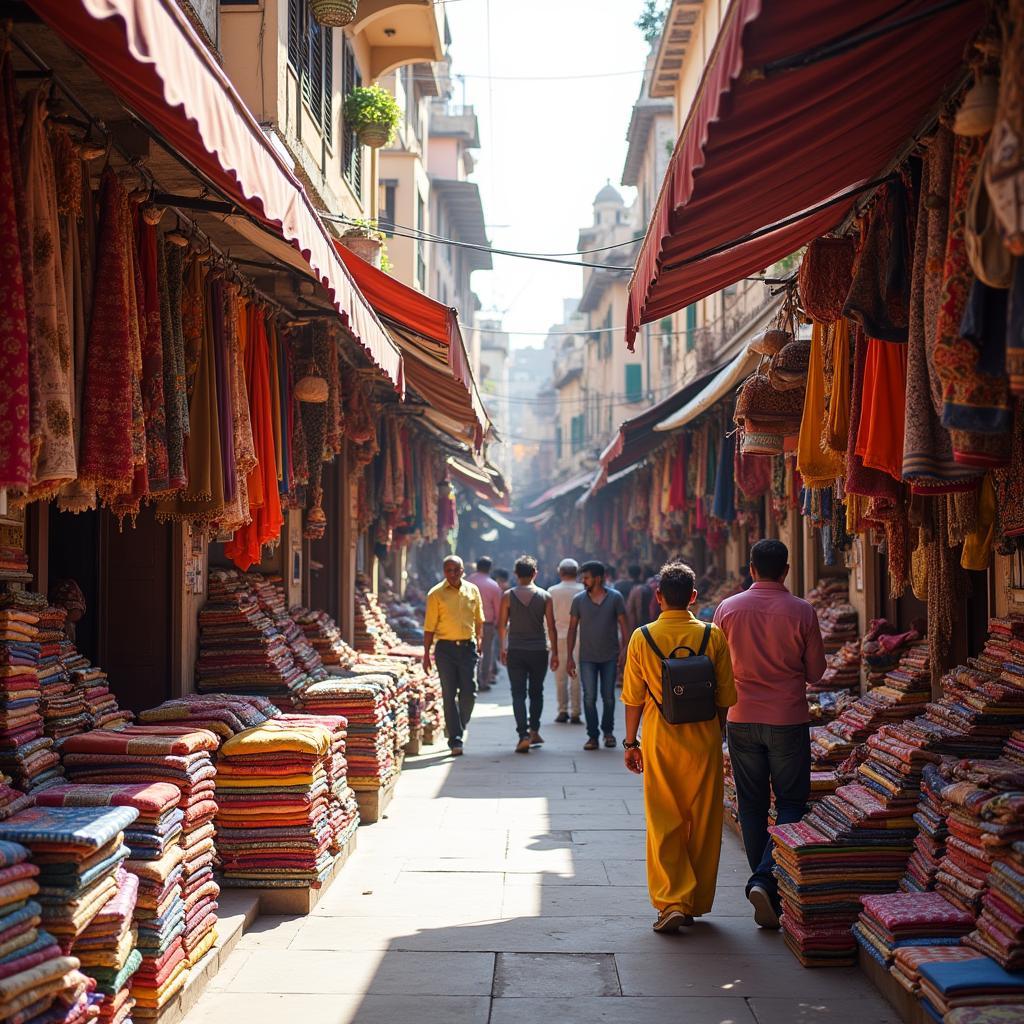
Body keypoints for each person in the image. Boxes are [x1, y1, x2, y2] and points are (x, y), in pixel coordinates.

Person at [713, 539, 826, 929]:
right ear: (787, 570)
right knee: (792, 802)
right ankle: (766, 879)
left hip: (741, 717)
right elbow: (816, 673)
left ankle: (764, 883)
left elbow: (716, 667)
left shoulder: (727, 609)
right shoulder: (802, 611)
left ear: (751, 568)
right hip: (787, 718)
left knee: (752, 805)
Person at [621, 562, 737, 933]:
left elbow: (633, 698)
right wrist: (714, 733)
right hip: (702, 739)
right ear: (693, 597)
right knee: (703, 821)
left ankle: (673, 898)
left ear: (658, 597)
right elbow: (726, 696)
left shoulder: (642, 637)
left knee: (664, 820)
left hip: (659, 739)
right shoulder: (712, 634)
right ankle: (696, 899)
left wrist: (630, 742)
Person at [422, 555, 485, 757]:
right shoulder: (435, 594)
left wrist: (480, 641)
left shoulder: (472, 590)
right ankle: (455, 739)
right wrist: (425, 654)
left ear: (462, 570)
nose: (452, 574)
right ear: (444, 572)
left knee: (470, 691)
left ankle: (459, 722)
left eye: (456, 570)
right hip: (445, 650)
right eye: (448, 570)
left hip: (468, 648)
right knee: (448, 693)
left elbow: (479, 620)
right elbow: (429, 627)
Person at [498, 555, 559, 753]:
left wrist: (503, 647)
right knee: (536, 692)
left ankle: (522, 735)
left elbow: (502, 625)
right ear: (535, 573)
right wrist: (555, 652)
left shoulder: (508, 596)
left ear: (516, 574)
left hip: (516, 649)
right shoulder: (545, 596)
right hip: (539, 650)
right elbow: (551, 627)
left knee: (518, 693)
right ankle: (534, 730)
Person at [566, 560, 628, 751]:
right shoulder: (578, 600)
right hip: (587, 657)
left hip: (610, 656)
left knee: (609, 697)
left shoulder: (616, 598)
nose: (583, 581)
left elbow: (625, 627)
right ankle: (592, 736)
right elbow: (572, 628)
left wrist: (626, 651)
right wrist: (569, 657)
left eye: (586, 578)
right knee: (589, 697)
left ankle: (608, 733)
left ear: (598, 578)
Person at [548, 558, 584, 724]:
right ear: (576, 573)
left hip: (559, 637)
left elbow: (547, 619)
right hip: (579, 637)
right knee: (576, 674)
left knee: (560, 675)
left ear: (560, 572)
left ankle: (562, 710)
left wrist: (549, 640)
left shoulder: (552, 591)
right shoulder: (583, 590)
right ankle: (576, 711)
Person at [466, 556, 502, 692]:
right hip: (487, 624)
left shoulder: (468, 582)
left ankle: (471, 680)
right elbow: (497, 608)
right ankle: (483, 681)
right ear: (490, 568)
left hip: (469, 623)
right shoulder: (493, 585)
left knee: (470, 651)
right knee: (487, 652)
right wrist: (499, 625)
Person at [626, 566, 656, 634]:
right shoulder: (651, 589)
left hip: (639, 628)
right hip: (652, 626)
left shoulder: (623, 586)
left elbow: (631, 612)